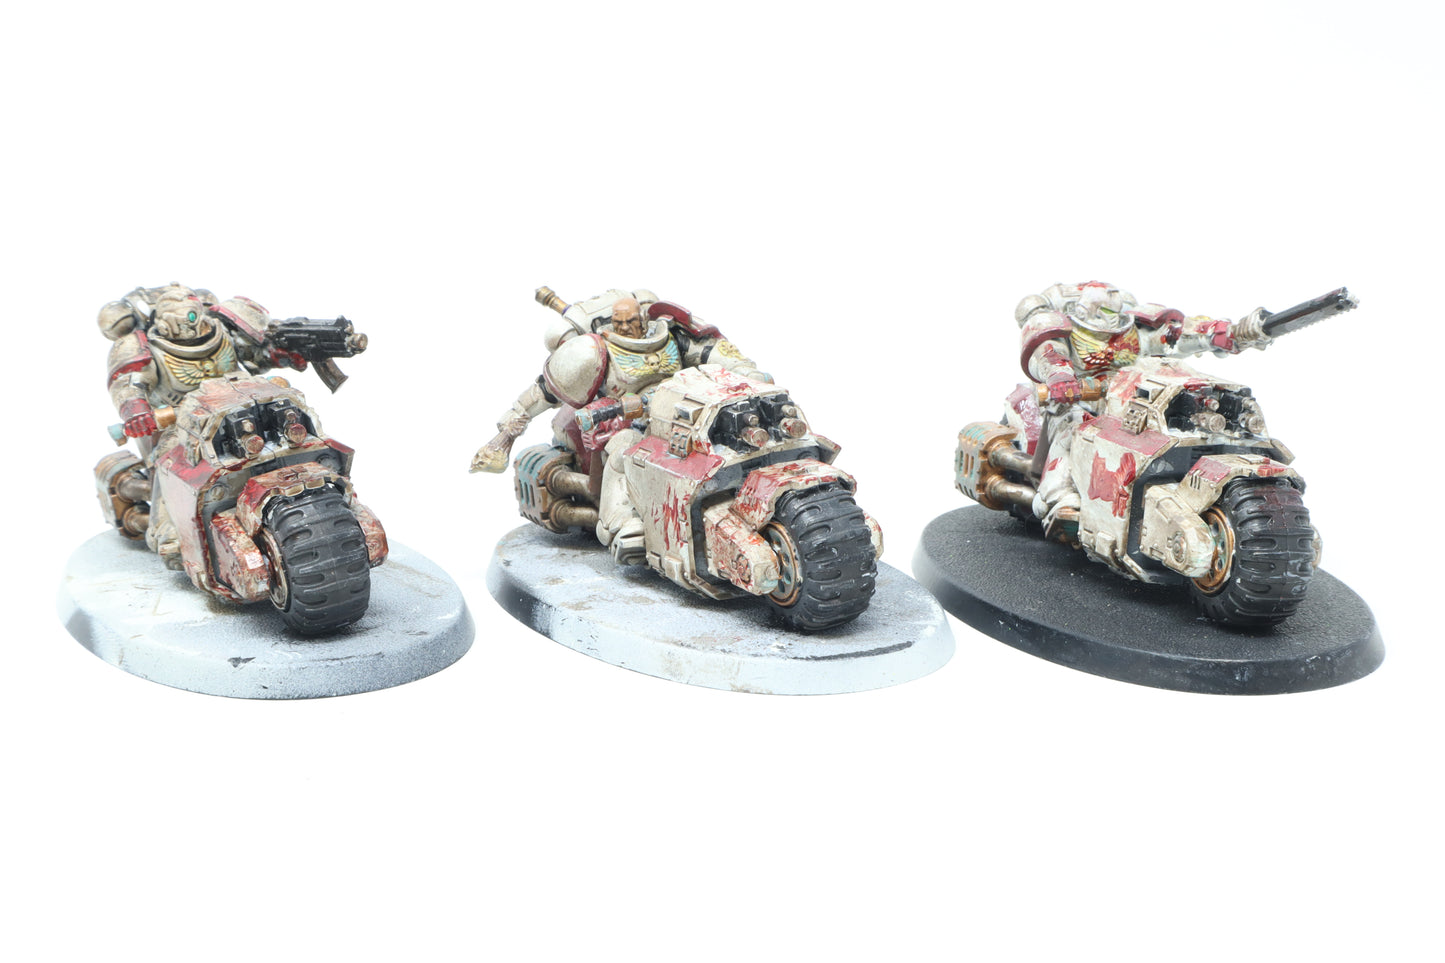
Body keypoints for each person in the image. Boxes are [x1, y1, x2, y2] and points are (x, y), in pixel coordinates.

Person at [470, 287, 768, 561]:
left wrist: (752, 377)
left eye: (631, 321)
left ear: (643, 319)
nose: (624, 328)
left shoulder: (672, 336)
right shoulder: (595, 353)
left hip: (689, 413)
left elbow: (720, 356)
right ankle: (622, 523)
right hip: (627, 425)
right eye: (618, 322)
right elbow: (543, 393)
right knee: (622, 450)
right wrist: (506, 434)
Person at [1017, 280, 1271, 537]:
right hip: (1079, 399)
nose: (1106, 317)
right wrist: (1060, 376)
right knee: (1070, 427)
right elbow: (1048, 354)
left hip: (1129, 398)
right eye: (1098, 311)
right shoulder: (1065, 334)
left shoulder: (1134, 332)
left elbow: (1176, 336)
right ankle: (1059, 497)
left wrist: (1233, 333)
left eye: (1111, 311)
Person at [100, 283, 307, 559]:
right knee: (171, 462)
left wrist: (281, 355)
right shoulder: (147, 349)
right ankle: (169, 533)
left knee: (294, 430)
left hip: (242, 405)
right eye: (178, 321)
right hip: (178, 423)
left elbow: (254, 357)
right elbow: (129, 384)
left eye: (192, 317)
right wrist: (136, 411)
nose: (189, 327)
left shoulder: (221, 333)